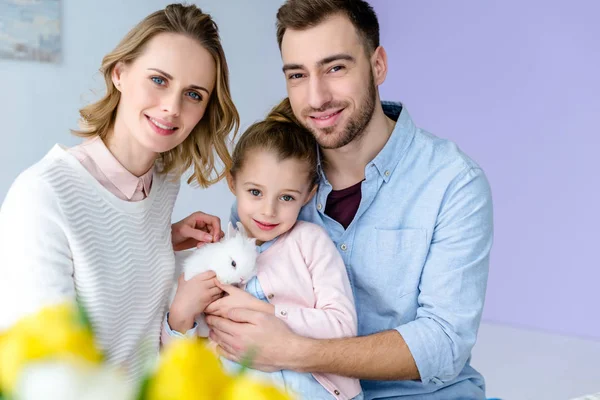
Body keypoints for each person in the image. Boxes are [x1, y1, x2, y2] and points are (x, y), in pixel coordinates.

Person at [205, 1, 494, 399]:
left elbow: (443, 342)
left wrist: (296, 351)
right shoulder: (271, 188)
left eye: (335, 68)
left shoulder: (453, 183)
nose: (317, 96)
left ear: (377, 66)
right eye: (297, 75)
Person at [0, 3, 238, 382]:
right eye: (159, 80)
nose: (171, 108)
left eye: (194, 94)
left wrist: (164, 239)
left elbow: (138, 320)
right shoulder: (41, 196)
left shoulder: (162, 184)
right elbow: (42, 375)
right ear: (120, 73)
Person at [164, 100, 363, 400]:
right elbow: (181, 365)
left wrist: (265, 311)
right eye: (255, 192)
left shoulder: (310, 242)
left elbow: (342, 327)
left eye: (286, 197)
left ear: (308, 195)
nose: (268, 211)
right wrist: (180, 316)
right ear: (233, 182)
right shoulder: (217, 256)